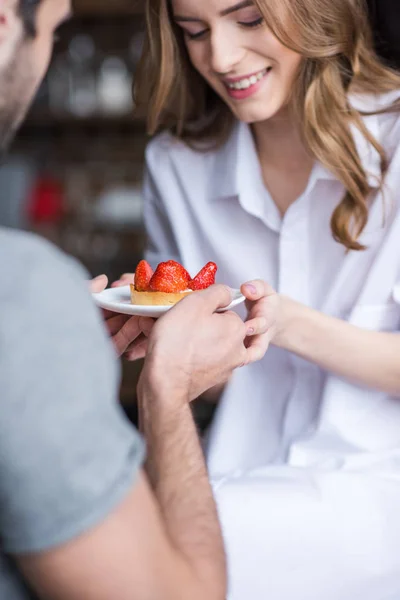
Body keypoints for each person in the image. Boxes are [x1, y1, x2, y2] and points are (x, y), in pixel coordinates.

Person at [113, 0, 400, 597]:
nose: (219, 57)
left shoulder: (393, 143)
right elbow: (221, 382)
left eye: (248, 20)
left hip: (377, 490)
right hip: (232, 474)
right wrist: (165, 345)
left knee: (129, 558)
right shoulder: (176, 167)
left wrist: (280, 322)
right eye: (193, 32)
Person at [0, 1, 267, 599]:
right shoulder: (25, 292)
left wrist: (62, 355)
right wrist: (165, 389)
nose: (220, 56)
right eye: (54, 32)